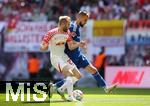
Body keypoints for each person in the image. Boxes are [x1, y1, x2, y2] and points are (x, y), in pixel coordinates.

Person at [50, 11, 117, 97]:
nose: (85, 22)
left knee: (93, 70)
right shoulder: (72, 27)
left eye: (86, 20)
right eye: (85, 20)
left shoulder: (76, 27)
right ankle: (56, 88)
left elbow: (73, 41)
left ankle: (106, 87)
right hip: (71, 56)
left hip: (78, 54)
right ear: (80, 17)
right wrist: (79, 44)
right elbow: (68, 42)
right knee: (73, 77)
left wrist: (81, 45)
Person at [40, 16, 85, 101]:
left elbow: (71, 46)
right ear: (62, 24)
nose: (69, 26)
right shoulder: (51, 33)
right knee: (69, 74)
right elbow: (42, 45)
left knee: (78, 75)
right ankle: (70, 97)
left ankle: (60, 89)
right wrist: (44, 47)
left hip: (64, 57)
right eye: (67, 24)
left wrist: (79, 44)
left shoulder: (67, 32)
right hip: (55, 58)